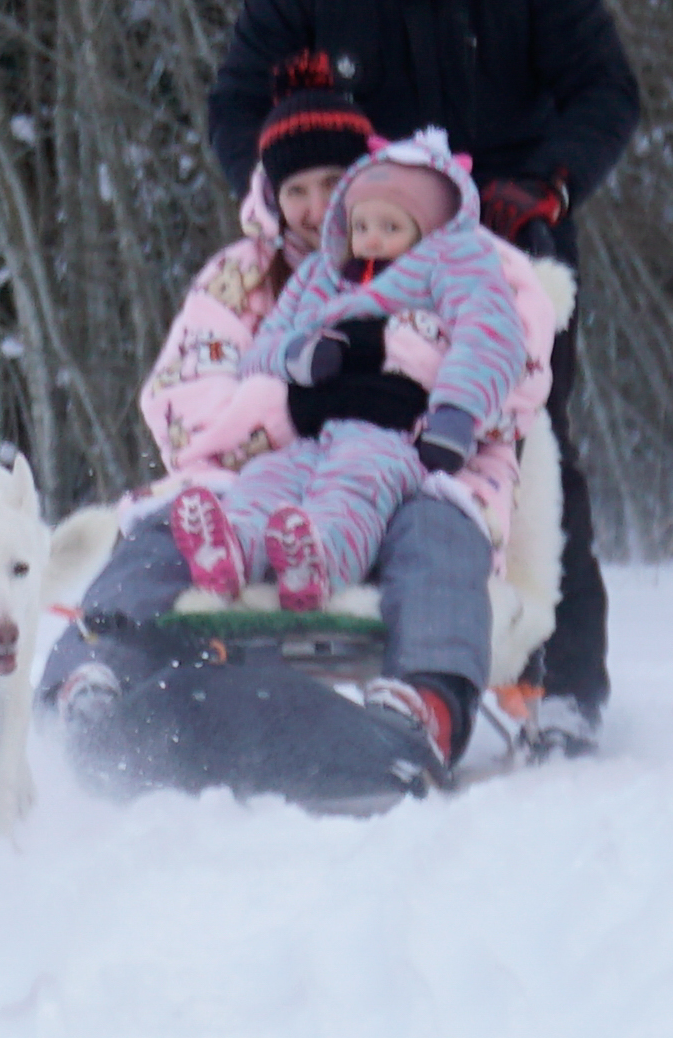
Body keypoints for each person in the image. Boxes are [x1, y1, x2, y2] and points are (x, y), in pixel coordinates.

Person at [198, 0, 641, 751]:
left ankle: (557, 685)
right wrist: (284, 199)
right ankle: (306, 658)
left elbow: (606, 89)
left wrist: (546, 185)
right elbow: (237, 104)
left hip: (506, 251)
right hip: (351, 262)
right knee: (319, 444)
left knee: (522, 454)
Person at [160, 141, 547, 768]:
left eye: (389, 227)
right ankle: (236, 548)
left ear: (428, 227)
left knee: (355, 486)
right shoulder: (322, 272)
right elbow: (266, 346)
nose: (369, 240)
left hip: (393, 432)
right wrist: (301, 359)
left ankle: (322, 558)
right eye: (360, 225)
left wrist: (453, 412)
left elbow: (491, 335)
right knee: (266, 479)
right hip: (310, 428)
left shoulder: (455, 261)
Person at [135, 50, 367, 485]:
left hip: (379, 481)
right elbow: (185, 401)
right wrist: (298, 412)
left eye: (334, 183)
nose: (318, 210)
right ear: (273, 197)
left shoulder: (412, 256)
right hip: (249, 489)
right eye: (297, 191)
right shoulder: (242, 277)